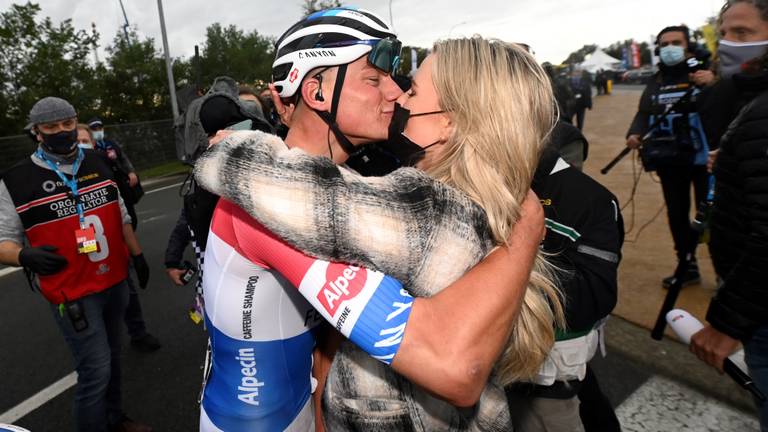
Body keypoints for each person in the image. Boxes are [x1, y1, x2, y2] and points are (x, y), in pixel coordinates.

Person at [194, 13, 560, 430]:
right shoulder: (263, 207)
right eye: (373, 80)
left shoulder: (382, 196)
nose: (397, 93)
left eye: (405, 83)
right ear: (315, 92)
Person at [0, 97, 151, 432]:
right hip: (71, 291)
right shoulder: (16, 179)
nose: (62, 131)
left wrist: (137, 255)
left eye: (67, 123)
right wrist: (23, 255)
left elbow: (121, 213)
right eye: (51, 127)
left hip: (114, 279)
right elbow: (3, 241)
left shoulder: (98, 160)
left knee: (113, 360)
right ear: (36, 132)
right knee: (95, 369)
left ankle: (114, 418)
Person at [507, 141, 623, 432]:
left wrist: (514, 256)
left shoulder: (590, 200)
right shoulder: (475, 175)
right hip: (486, 364)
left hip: (543, 370)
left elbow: (594, 297)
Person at [690, 1, 768, 431]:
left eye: (742, 32)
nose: (728, 44)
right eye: (724, 33)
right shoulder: (745, 97)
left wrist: (727, 323)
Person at [625, 25, 712, 289]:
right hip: (670, 159)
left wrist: (713, 83)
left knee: (713, 216)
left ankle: (725, 272)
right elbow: (643, 112)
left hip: (706, 160)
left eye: (676, 42)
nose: (669, 48)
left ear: (688, 46)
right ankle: (687, 265)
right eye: (664, 44)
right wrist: (634, 133)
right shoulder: (657, 79)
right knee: (677, 214)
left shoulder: (706, 73)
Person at [87, 117, 161, 353]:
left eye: (84, 140)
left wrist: (137, 254)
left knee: (126, 288)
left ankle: (137, 332)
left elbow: (123, 217)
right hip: (85, 249)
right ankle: (100, 340)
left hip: (114, 244)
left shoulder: (105, 158)